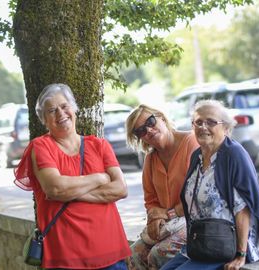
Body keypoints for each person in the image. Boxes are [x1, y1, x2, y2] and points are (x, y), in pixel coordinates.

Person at [14, 83, 131, 269]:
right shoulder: (41, 147)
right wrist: (99, 179)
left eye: (64, 106)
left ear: (74, 108)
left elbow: (121, 189)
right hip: (66, 255)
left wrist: (69, 191)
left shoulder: (100, 145)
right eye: (52, 110)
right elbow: (55, 188)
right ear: (44, 119)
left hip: (110, 251)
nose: (60, 114)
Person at [161, 100, 259, 270]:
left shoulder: (233, 155)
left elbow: (242, 209)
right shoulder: (197, 156)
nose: (203, 127)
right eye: (198, 122)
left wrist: (241, 254)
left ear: (226, 127)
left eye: (211, 122)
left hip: (226, 244)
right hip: (201, 242)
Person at [125, 104, 199, 270]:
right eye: (141, 131)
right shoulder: (150, 159)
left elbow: (197, 196)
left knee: (158, 254)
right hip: (169, 224)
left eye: (151, 122)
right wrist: (155, 218)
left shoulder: (191, 143)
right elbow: (150, 199)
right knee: (133, 254)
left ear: (162, 118)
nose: (149, 131)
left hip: (196, 222)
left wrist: (167, 214)